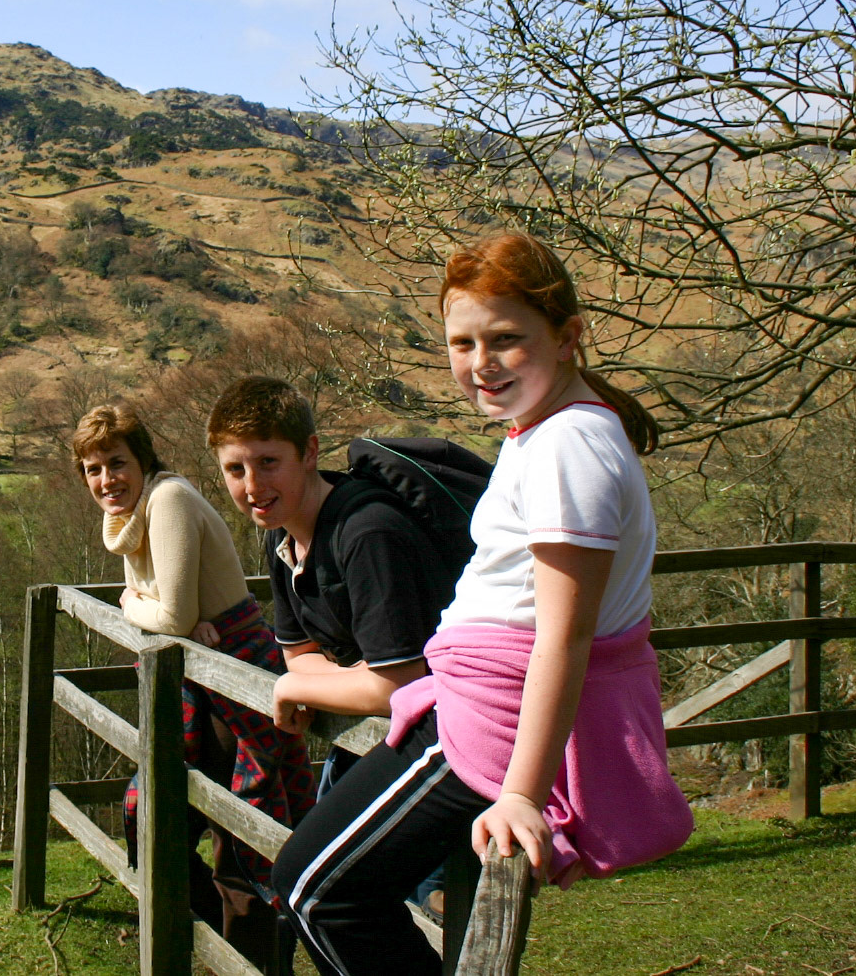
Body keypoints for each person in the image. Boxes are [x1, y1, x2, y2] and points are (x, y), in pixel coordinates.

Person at [268, 232, 694, 975]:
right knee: (319, 884)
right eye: (461, 342)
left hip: (491, 718)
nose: (480, 363)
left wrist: (523, 793)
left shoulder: (568, 447)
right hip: (475, 695)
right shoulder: (552, 429)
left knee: (314, 889)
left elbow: (564, 636)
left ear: (566, 338)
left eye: (504, 339)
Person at [73, 403, 315, 971]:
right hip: (194, 681)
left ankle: (253, 961)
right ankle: (203, 943)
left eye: (117, 462)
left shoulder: (169, 500)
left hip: (235, 676)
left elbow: (172, 615)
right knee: (159, 814)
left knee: (244, 833)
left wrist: (134, 605)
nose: (107, 479)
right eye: (93, 468)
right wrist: (164, 616)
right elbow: (176, 617)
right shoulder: (129, 516)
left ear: (144, 460)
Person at [206, 377, 458, 779]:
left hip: (450, 742)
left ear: (309, 452)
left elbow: (396, 686)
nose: (252, 486)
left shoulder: (368, 534)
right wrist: (355, 678)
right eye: (236, 469)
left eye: (268, 462)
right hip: (374, 735)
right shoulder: (282, 535)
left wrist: (295, 688)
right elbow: (298, 655)